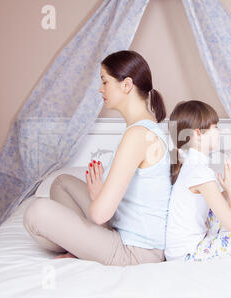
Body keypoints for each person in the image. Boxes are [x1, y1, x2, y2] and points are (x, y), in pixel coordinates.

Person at [23, 50, 172, 266]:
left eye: (105, 81)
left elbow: (100, 214)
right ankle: (83, 243)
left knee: (36, 212)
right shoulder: (142, 128)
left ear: (126, 85)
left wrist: (97, 194)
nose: (100, 89)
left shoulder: (138, 135)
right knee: (61, 183)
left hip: (135, 253)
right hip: (121, 229)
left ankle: (79, 245)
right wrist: (100, 197)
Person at [164, 100, 231, 262]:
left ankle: (230, 248)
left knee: (224, 210)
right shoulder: (200, 172)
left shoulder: (191, 165)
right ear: (198, 133)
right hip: (186, 254)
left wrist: (226, 191)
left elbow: (207, 204)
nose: (220, 132)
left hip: (180, 250)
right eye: (215, 127)